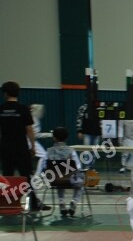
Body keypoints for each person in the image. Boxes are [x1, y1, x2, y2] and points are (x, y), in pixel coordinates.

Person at [0, 81, 48, 211]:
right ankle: (33, 203)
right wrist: (32, 146)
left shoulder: (1, 109)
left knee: (7, 177)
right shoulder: (23, 109)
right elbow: (29, 130)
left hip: (5, 149)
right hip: (21, 148)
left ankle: (7, 204)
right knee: (27, 176)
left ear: (5, 93)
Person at [38, 127, 83, 218]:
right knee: (80, 182)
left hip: (53, 181)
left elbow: (43, 167)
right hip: (69, 180)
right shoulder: (71, 151)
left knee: (58, 178)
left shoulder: (48, 151)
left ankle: (61, 202)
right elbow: (78, 166)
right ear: (66, 138)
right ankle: (74, 201)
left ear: (54, 138)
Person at [76, 103, 101, 170]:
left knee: (95, 152)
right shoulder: (83, 107)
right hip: (87, 133)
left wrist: (102, 132)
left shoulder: (99, 107)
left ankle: (91, 166)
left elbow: (102, 120)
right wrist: (79, 131)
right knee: (86, 151)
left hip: (97, 133)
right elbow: (79, 119)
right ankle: (87, 167)